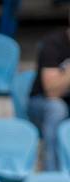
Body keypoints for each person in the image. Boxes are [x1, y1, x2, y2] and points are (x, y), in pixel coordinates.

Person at [28, 14, 70, 171]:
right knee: (57, 109)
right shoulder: (53, 44)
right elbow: (51, 91)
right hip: (40, 103)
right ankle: (52, 173)